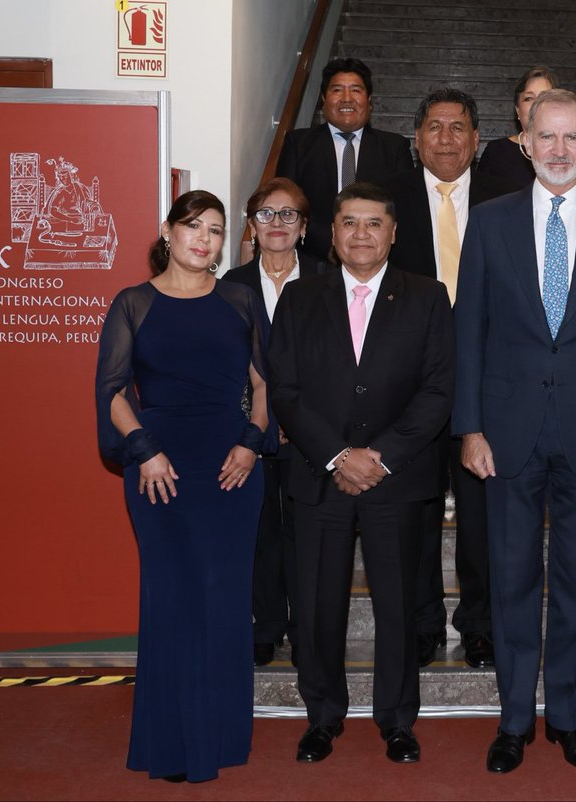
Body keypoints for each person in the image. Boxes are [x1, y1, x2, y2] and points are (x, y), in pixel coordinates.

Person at [453, 88, 576, 774]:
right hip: (505, 433)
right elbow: (469, 332)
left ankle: (567, 717)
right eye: (548, 137)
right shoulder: (489, 221)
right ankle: (513, 720)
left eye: (573, 138)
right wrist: (470, 426)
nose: (560, 150)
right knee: (510, 578)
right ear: (525, 143)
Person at [268, 182, 454, 766]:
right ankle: (322, 716)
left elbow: (438, 390)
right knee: (318, 607)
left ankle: (398, 721)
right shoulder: (299, 299)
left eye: (374, 223)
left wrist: (381, 456)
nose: (361, 234)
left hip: (397, 480)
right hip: (319, 478)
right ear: (332, 231)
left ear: (394, 233)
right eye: (349, 222)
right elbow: (287, 392)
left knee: (398, 608)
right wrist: (337, 455)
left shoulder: (427, 296)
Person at [95, 190, 269, 783]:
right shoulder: (132, 304)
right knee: (171, 600)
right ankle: (171, 742)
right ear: (167, 231)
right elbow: (113, 391)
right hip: (157, 470)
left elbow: (265, 386)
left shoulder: (242, 300)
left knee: (222, 600)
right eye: (193, 226)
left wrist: (250, 442)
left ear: (225, 243)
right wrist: (143, 450)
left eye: (216, 230)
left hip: (231, 469)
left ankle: (218, 737)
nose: (204, 238)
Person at [383, 89, 515, 670]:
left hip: (489, 382)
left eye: (457, 127)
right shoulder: (388, 208)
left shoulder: (508, 202)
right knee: (415, 509)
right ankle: (422, 623)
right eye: (433, 127)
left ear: (477, 141)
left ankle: (480, 625)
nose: (445, 138)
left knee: (484, 516)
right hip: (410, 385)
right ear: (416, 139)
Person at [223, 177, 331, 669]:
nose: (277, 224)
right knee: (261, 532)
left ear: (304, 227)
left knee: (307, 534)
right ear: (251, 227)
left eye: (289, 215)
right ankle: (265, 624)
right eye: (267, 214)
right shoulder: (230, 286)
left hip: (313, 431)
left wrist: (299, 420)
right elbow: (227, 365)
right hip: (252, 432)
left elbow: (337, 361)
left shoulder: (329, 281)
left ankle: (306, 628)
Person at [276, 57, 414, 260]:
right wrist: (333, 243)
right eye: (337, 90)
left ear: (369, 99)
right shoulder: (298, 144)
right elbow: (286, 205)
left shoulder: (394, 148)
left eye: (356, 90)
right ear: (324, 98)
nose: (347, 98)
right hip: (314, 260)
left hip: (375, 259)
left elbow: (402, 210)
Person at [476, 65, 576, 190]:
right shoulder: (497, 151)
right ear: (517, 110)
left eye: (544, 97)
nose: (537, 104)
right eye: (529, 98)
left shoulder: (574, 152)